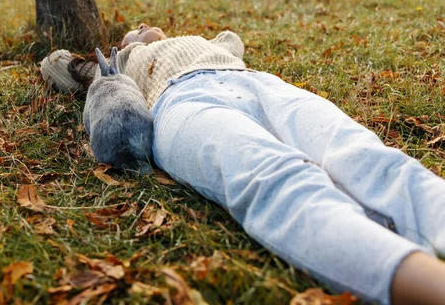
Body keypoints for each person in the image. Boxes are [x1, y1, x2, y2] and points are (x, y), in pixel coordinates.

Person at [40, 24, 445, 305]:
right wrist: (123, 49)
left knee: (362, 153)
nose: (145, 23)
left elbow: (233, 39)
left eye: (150, 22)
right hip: (182, 105)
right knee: (276, 180)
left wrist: (177, 36)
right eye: (136, 24)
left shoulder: (206, 42)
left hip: (258, 84)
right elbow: (56, 65)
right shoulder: (120, 61)